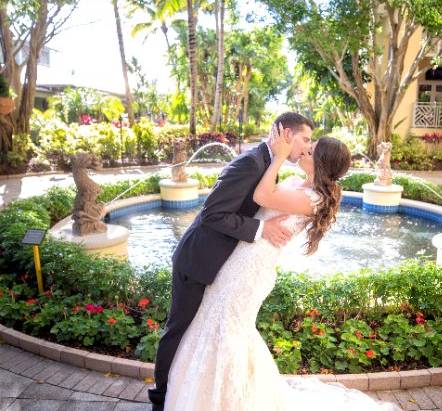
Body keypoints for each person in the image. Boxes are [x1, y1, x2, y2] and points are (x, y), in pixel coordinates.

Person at [162, 124, 401, 410]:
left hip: (252, 268)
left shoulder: (313, 198)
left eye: (312, 150)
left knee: (230, 327)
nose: (305, 150)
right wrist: (260, 225)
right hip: (239, 258)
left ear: (321, 163)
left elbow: (262, 197)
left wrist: (277, 157)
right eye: (308, 144)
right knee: (218, 323)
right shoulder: (297, 183)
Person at [149, 112, 314, 411]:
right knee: (179, 330)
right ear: (286, 134)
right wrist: (263, 229)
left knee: (197, 332)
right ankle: (161, 400)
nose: (306, 147)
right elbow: (213, 214)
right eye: (305, 139)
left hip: (225, 266)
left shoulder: (268, 164)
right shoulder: (250, 163)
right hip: (198, 260)